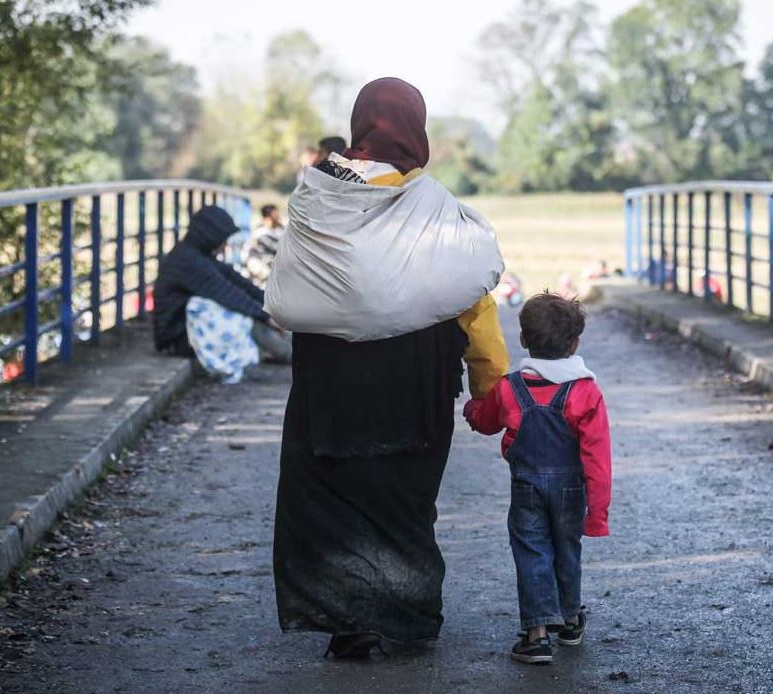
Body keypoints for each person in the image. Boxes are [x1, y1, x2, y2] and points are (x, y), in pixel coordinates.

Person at [272, 77, 508, 658]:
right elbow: (474, 306)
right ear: (416, 129)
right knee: (404, 501)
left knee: (332, 499)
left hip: (330, 385)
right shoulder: (437, 210)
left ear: (359, 126)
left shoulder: (317, 196)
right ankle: (408, 617)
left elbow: (292, 287)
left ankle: (347, 625)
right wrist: (490, 385)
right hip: (413, 386)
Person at [463, 293, 611, 665]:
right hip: (571, 488)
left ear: (524, 339)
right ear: (575, 343)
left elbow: (485, 421)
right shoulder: (586, 392)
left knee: (532, 552)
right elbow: (597, 457)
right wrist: (598, 512)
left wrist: (471, 409)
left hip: (526, 486)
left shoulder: (510, 388)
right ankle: (571, 618)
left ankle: (537, 635)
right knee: (567, 549)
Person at [152, 206, 290, 377]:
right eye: (222, 239)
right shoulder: (188, 262)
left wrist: (273, 306)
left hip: (187, 333)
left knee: (256, 312)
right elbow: (229, 294)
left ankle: (295, 349)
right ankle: (292, 353)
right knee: (246, 316)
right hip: (175, 339)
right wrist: (267, 317)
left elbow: (239, 283)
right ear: (209, 237)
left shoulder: (197, 255)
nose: (225, 245)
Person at [243, 204, 285, 288]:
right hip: (260, 265)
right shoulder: (260, 232)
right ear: (269, 216)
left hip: (271, 266)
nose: (278, 216)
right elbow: (276, 247)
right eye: (275, 214)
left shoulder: (279, 229)